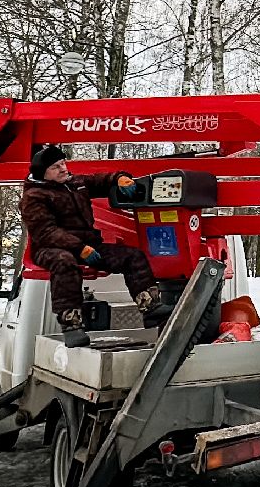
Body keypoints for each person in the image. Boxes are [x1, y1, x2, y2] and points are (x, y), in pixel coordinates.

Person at [20, 144, 172, 346]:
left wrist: (120, 178)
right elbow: (46, 232)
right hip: (50, 248)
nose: (63, 169)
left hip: (88, 245)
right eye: (56, 167)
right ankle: (71, 326)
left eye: (63, 163)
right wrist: (79, 248)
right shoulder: (34, 197)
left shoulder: (75, 183)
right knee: (64, 262)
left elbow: (101, 180)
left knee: (132, 256)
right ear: (43, 173)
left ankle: (150, 308)